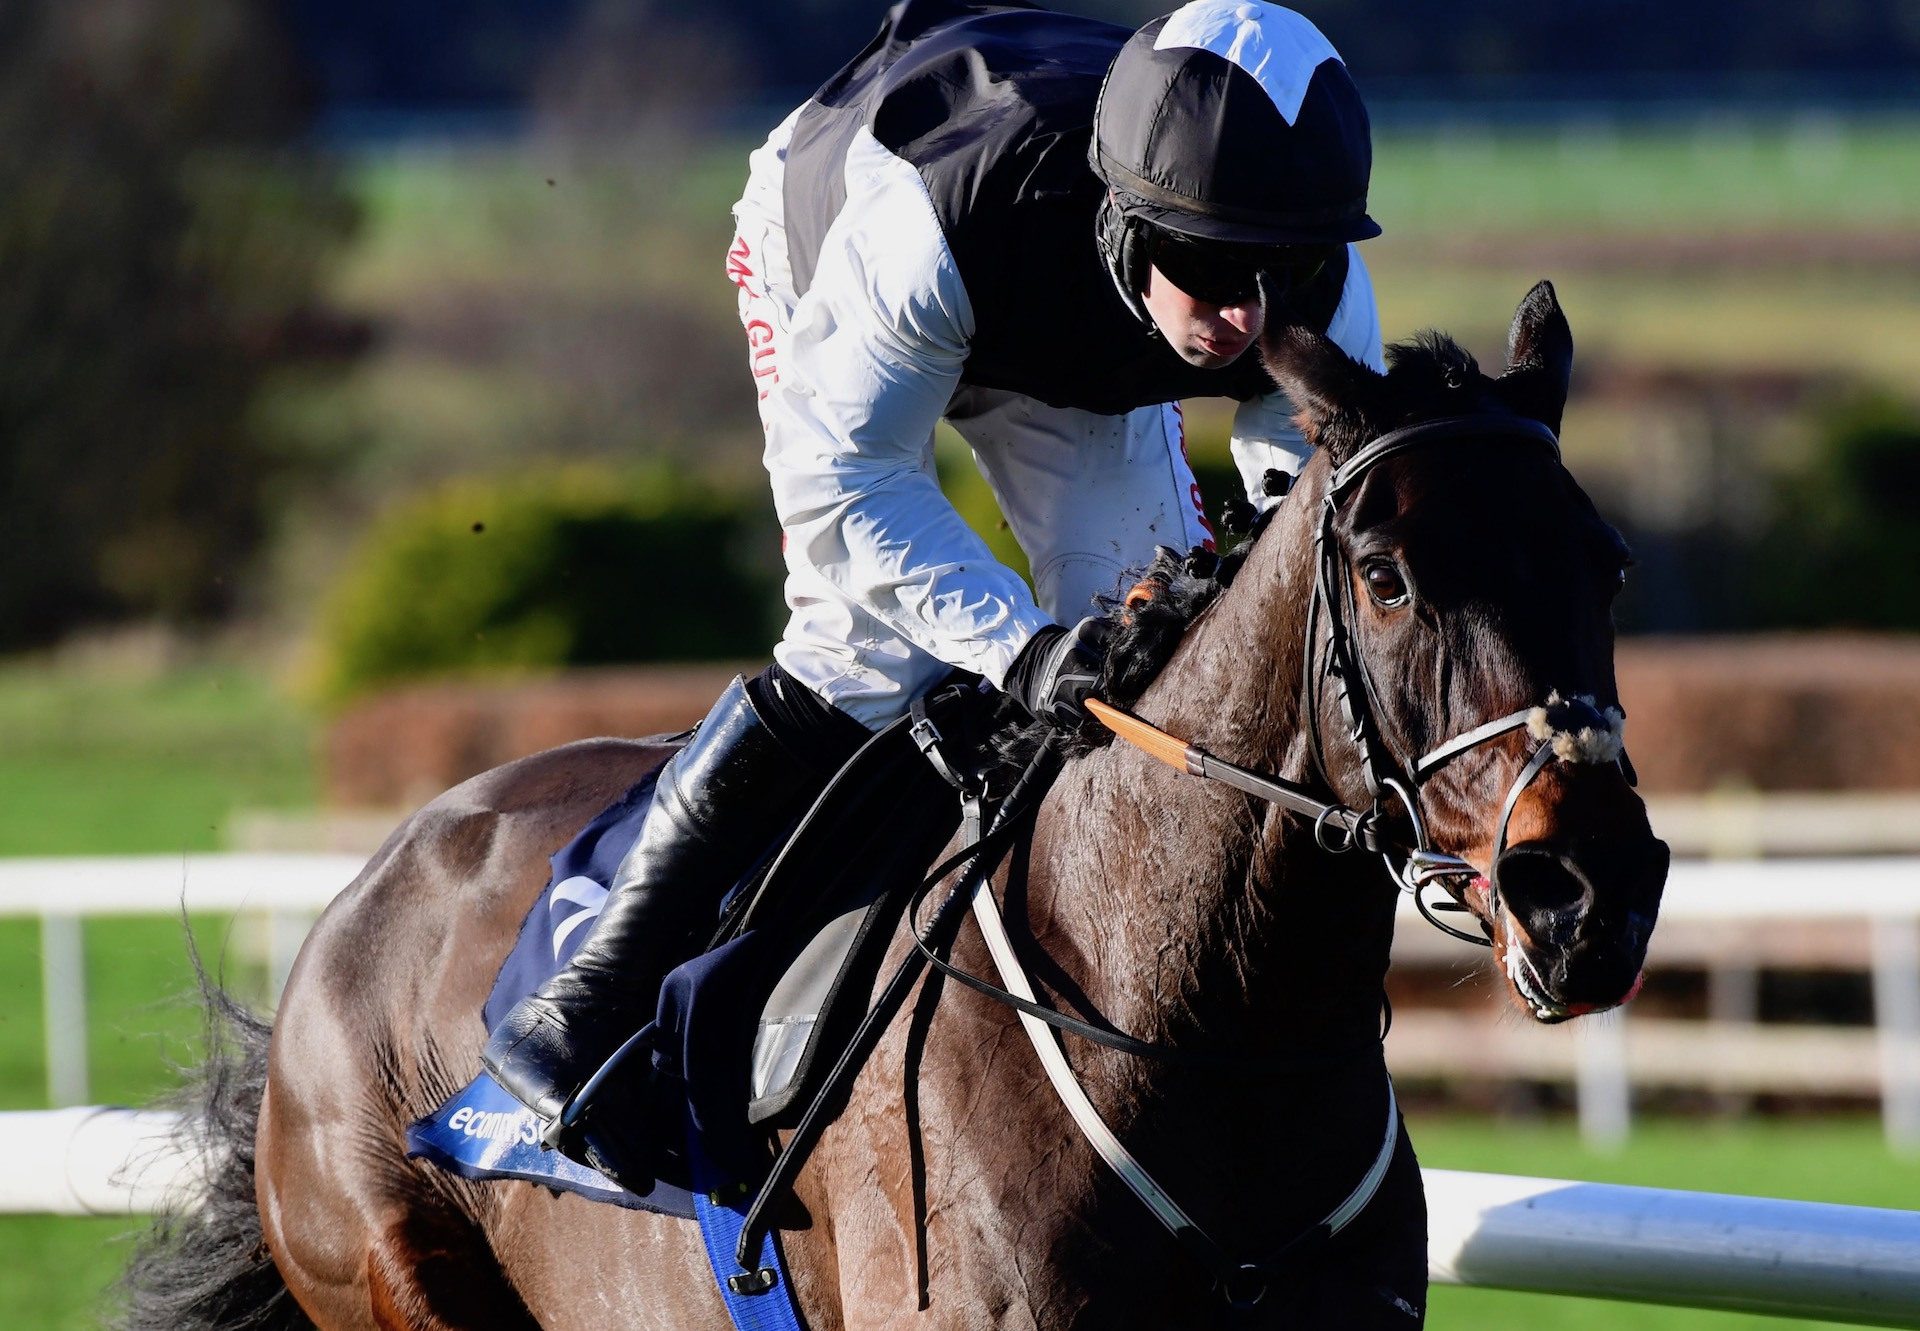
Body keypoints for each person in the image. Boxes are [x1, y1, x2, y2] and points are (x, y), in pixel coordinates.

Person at [482, 0, 1387, 1175]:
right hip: (845, 243)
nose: (1247, 316)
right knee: (869, 644)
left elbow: (1302, 494)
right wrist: (1017, 646)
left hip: (1061, 333)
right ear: (1131, 212)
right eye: (1212, 272)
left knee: (1155, 652)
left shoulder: (1292, 244)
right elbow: (843, 482)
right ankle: (591, 993)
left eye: (1285, 274)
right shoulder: (929, 225)